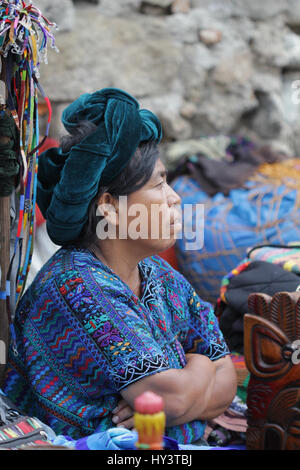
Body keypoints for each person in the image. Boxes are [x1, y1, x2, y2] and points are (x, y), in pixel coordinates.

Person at [3, 88, 237, 445]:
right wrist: (200, 366)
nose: (174, 198)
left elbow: (223, 380)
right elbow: (172, 396)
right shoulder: (77, 287)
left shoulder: (159, 275)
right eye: (159, 184)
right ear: (109, 205)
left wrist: (186, 388)